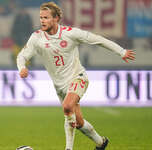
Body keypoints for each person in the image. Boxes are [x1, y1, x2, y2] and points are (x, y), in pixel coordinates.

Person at [17, 2, 135, 150]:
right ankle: (101, 143)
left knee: (67, 107)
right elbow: (22, 56)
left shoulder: (70, 33)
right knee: (78, 122)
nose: (42, 21)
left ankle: (68, 148)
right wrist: (22, 67)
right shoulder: (36, 38)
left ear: (56, 18)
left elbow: (98, 39)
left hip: (78, 77)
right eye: (41, 17)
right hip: (60, 86)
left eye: (46, 17)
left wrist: (121, 51)